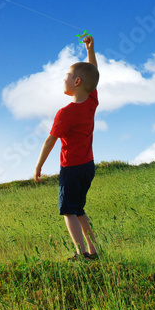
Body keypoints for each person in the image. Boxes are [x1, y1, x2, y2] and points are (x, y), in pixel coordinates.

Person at [34, 34, 100, 261]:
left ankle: (81, 253)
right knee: (79, 209)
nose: (64, 79)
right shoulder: (92, 101)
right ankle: (93, 251)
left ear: (77, 82)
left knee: (69, 211)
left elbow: (50, 140)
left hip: (71, 168)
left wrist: (39, 165)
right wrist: (90, 50)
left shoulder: (65, 113)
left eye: (67, 76)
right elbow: (93, 73)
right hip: (88, 167)